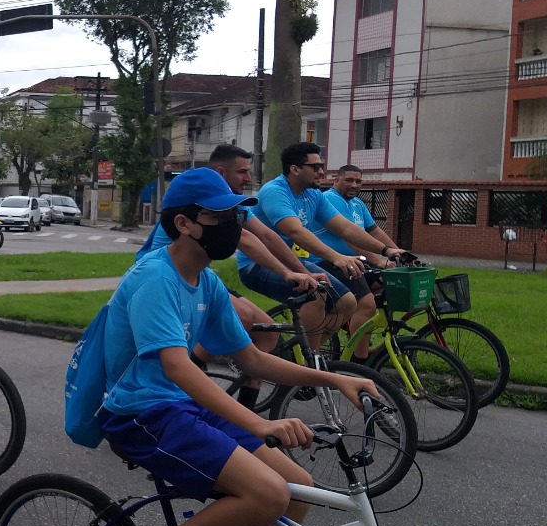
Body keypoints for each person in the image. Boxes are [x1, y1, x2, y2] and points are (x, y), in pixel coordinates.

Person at [101, 168, 378, 526]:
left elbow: (250, 359)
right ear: (184, 224)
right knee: (267, 493)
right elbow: (177, 366)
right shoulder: (155, 278)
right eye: (221, 216)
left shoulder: (205, 281)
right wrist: (258, 423)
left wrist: (334, 378)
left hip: (179, 407)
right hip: (141, 413)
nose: (234, 225)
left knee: (296, 489)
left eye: (236, 215)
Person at [138, 145, 322, 409]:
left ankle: (246, 408)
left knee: (267, 332)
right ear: (221, 172)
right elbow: (245, 238)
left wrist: (300, 272)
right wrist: (287, 273)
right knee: (243, 318)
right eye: (242, 172)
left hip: (201, 275)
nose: (248, 178)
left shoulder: (230, 204)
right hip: (171, 276)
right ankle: (187, 377)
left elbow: (264, 235)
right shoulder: (201, 200)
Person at [238, 142, 405, 353]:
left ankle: (307, 355)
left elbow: (345, 228)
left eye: (321, 166)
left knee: (346, 303)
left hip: (291, 261)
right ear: (295, 169)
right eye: (315, 167)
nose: (321, 171)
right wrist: (336, 257)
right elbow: (296, 232)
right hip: (257, 264)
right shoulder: (275, 191)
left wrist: (386, 250)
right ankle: (310, 362)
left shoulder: (313, 194)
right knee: (316, 296)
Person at [314, 164, 401, 363]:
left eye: (358, 181)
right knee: (368, 304)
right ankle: (357, 360)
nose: (354, 185)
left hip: (354, 262)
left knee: (385, 286)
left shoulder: (357, 204)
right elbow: (349, 237)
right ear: (336, 180)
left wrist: (399, 254)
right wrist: (379, 260)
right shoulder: (330, 199)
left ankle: (360, 343)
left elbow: (374, 231)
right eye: (349, 180)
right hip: (330, 261)